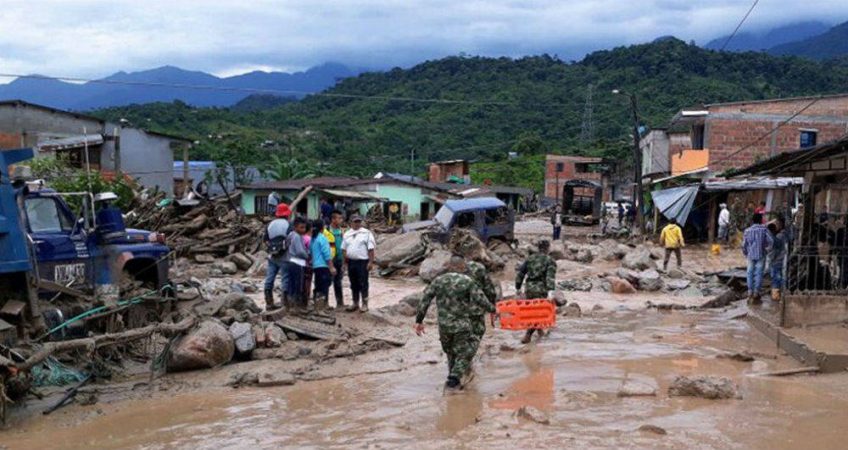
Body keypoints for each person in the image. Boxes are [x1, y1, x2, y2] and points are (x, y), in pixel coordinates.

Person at [414, 255, 496, 390]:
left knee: (450, 352)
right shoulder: (467, 281)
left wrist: (419, 321)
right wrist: (493, 310)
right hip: (462, 325)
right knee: (466, 350)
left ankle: (453, 380)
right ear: (462, 267)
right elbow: (480, 299)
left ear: (449, 266)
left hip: (444, 326)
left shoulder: (437, 281)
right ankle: (454, 378)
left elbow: (425, 300)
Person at [515, 240, 557, 344]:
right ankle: (528, 335)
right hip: (541, 290)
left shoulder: (530, 259)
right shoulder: (549, 260)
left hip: (529, 289)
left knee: (532, 312)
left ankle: (539, 331)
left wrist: (518, 287)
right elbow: (550, 277)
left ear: (538, 248)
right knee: (538, 313)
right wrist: (551, 291)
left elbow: (520, 273)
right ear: (547, 248)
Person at [342, 214, 376, 312]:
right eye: (355, 221)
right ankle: (355, 303)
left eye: (359, 221)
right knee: (353, 283)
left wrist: (370, 262)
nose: (357, 224)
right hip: (351, 262)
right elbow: (344, 249)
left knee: (363, 282)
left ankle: (365, 304)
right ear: (350, 223)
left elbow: (371, 249)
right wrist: (344, 263)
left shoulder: (367, 233)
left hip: (362, 262)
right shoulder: (347, 234)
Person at [263, 203, 291, 310]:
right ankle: (285, 303)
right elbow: (291, 239)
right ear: (287, 214)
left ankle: (269, 303)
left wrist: (272, 248)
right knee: (285, 279)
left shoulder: (270, 225)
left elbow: (265, 240)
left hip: (272, 256)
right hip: (284, 256)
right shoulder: (288, 224)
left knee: (270, 278)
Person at [742, 213, 773, 304]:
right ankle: (756, 292)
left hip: (750, 255)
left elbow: (744, 244)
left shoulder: (747, 231)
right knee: (759, 273)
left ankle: (750, 291)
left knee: (749, 272)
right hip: (761, 254)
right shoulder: (764, 230)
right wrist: (766, 250)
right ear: (760, 220)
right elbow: (771, 242)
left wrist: (746, 253)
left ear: (752, 220)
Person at [465, 260, 499, 341]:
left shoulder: (456, 267)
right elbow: (489, 288)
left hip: (457, 307)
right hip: (476, 306)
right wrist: (492, 303)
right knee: (478, 330)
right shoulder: (479, 268)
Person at [285, 217, 310, 309]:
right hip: (298, 263)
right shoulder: (297, 236)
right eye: (301, 227)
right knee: (297, 285)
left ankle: (290, 305)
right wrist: (308, 255)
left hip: (290, 261)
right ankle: (296, 307)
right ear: (295, 227)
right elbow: (300, 252)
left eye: (304, 228)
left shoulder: (290, 235)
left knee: (291, 284)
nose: (303, 230)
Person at [311, 219, 335, 310]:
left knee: (318, 285)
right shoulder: (322, 238)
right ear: (322, 227)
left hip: (315, 266)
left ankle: (317, 306)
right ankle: (322, 307)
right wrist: (332, 267)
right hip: (323, 266)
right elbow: (327, 255)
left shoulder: (313, 238)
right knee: (324, 286)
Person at [328, 210, 346, 309]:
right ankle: (324, 303)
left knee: (338, 282)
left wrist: (344, 262)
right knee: (327, 282)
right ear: (333, 219)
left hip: (340, 259)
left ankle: (340, 303)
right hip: (330, 260)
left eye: (341, 218)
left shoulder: (342, 231)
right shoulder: (327, 231)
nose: (341, 220)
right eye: (339, 218)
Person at [767, 219, 786, 302]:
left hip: (776, 261)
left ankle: (776, 296)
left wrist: (770, 260)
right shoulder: (783, 235)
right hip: (781, 260)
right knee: (780, 276)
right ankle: (782, 293)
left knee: (776, 277)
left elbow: (774, 251)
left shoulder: (778, 237)